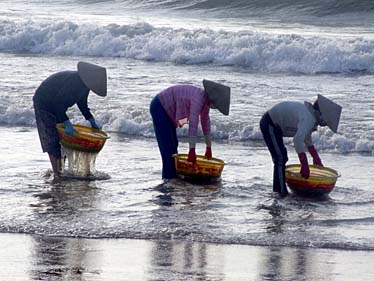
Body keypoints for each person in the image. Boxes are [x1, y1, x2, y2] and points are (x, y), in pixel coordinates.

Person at [33, 61, 107, 178]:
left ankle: (60, 169)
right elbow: (58, 104)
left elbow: (82, 104)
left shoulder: (85, 86)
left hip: (57, 105)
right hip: (44, 103)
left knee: (64, 140)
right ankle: (58, 174)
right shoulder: (73, 82)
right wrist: (67, 123)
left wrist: (92, 121)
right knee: (52, 139)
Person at [260, 94, 342, 197]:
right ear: (321, 114)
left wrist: (315, 157)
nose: (325, 124)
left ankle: (279, 189)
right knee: (280, 158)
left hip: (275, 125)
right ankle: (280, 192)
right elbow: (298, 140)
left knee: (281, 157)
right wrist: (304, 164)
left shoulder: (309, 116)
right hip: (269, 123)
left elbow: (306, 137)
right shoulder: (308, 118)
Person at [150, 80, 231, 180]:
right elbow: (193, 124)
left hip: (166, 110)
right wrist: (192, 150)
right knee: (168, 149)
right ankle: (168, 181)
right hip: (160, 106)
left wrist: (208, 148)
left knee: (173, 145)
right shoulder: (198, 98)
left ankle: (171, 177)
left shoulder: (205, 102)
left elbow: (205, 122)